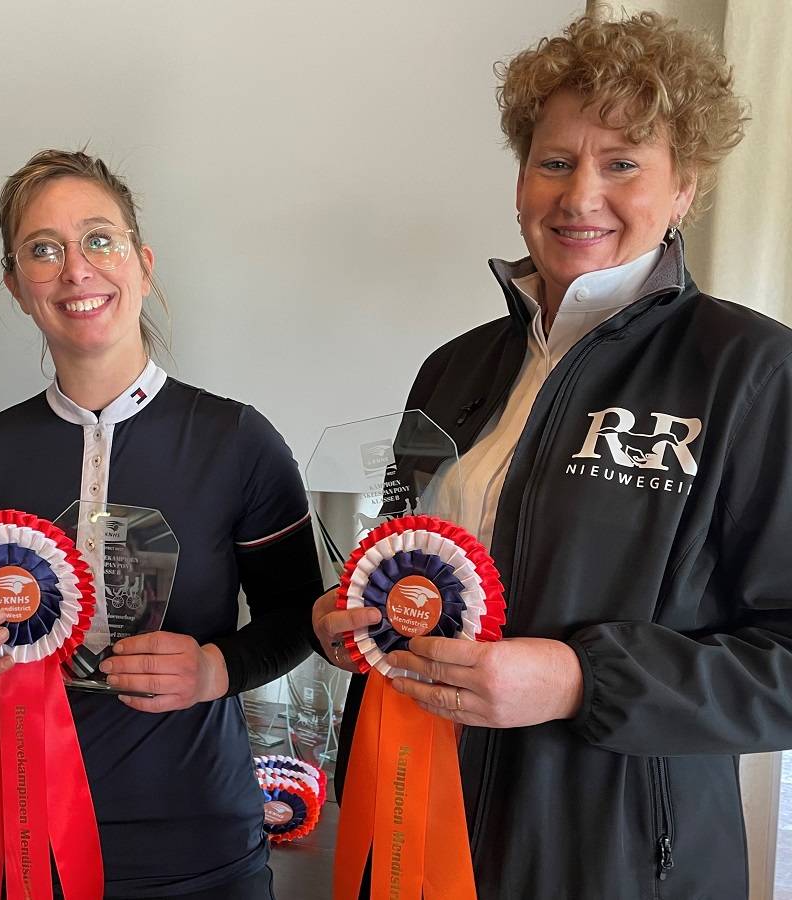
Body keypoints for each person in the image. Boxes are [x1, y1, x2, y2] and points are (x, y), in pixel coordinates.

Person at [312, 11, 784, 899]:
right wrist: (362, 620)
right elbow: (409, 556)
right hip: (414, 819)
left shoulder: (752, 372)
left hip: (613, 863)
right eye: (555, 162)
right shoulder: (453, 369)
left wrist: (580, 680)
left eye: (623, 164)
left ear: (685, 188)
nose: (580, 197)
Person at [0, 149, 323, 899]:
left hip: (198, 842)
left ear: (142, 262)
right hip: (16, 837)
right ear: (15, 286)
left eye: (99, 240)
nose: (76, 270)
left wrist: (214, 669)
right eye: (43, 250)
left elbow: (300, 616)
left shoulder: (238, 441)